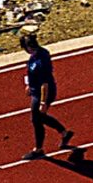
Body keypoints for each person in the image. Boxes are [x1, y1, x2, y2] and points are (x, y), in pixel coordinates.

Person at [21, 28, 77, 160]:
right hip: (36, 91)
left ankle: (39, 149)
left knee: (36, 119)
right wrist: (29, 84)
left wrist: (43, 102)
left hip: (43, 93)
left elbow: (44, 84)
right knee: (40, 118)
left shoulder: (41, 60)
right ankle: (64, 133)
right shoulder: (36, 55)